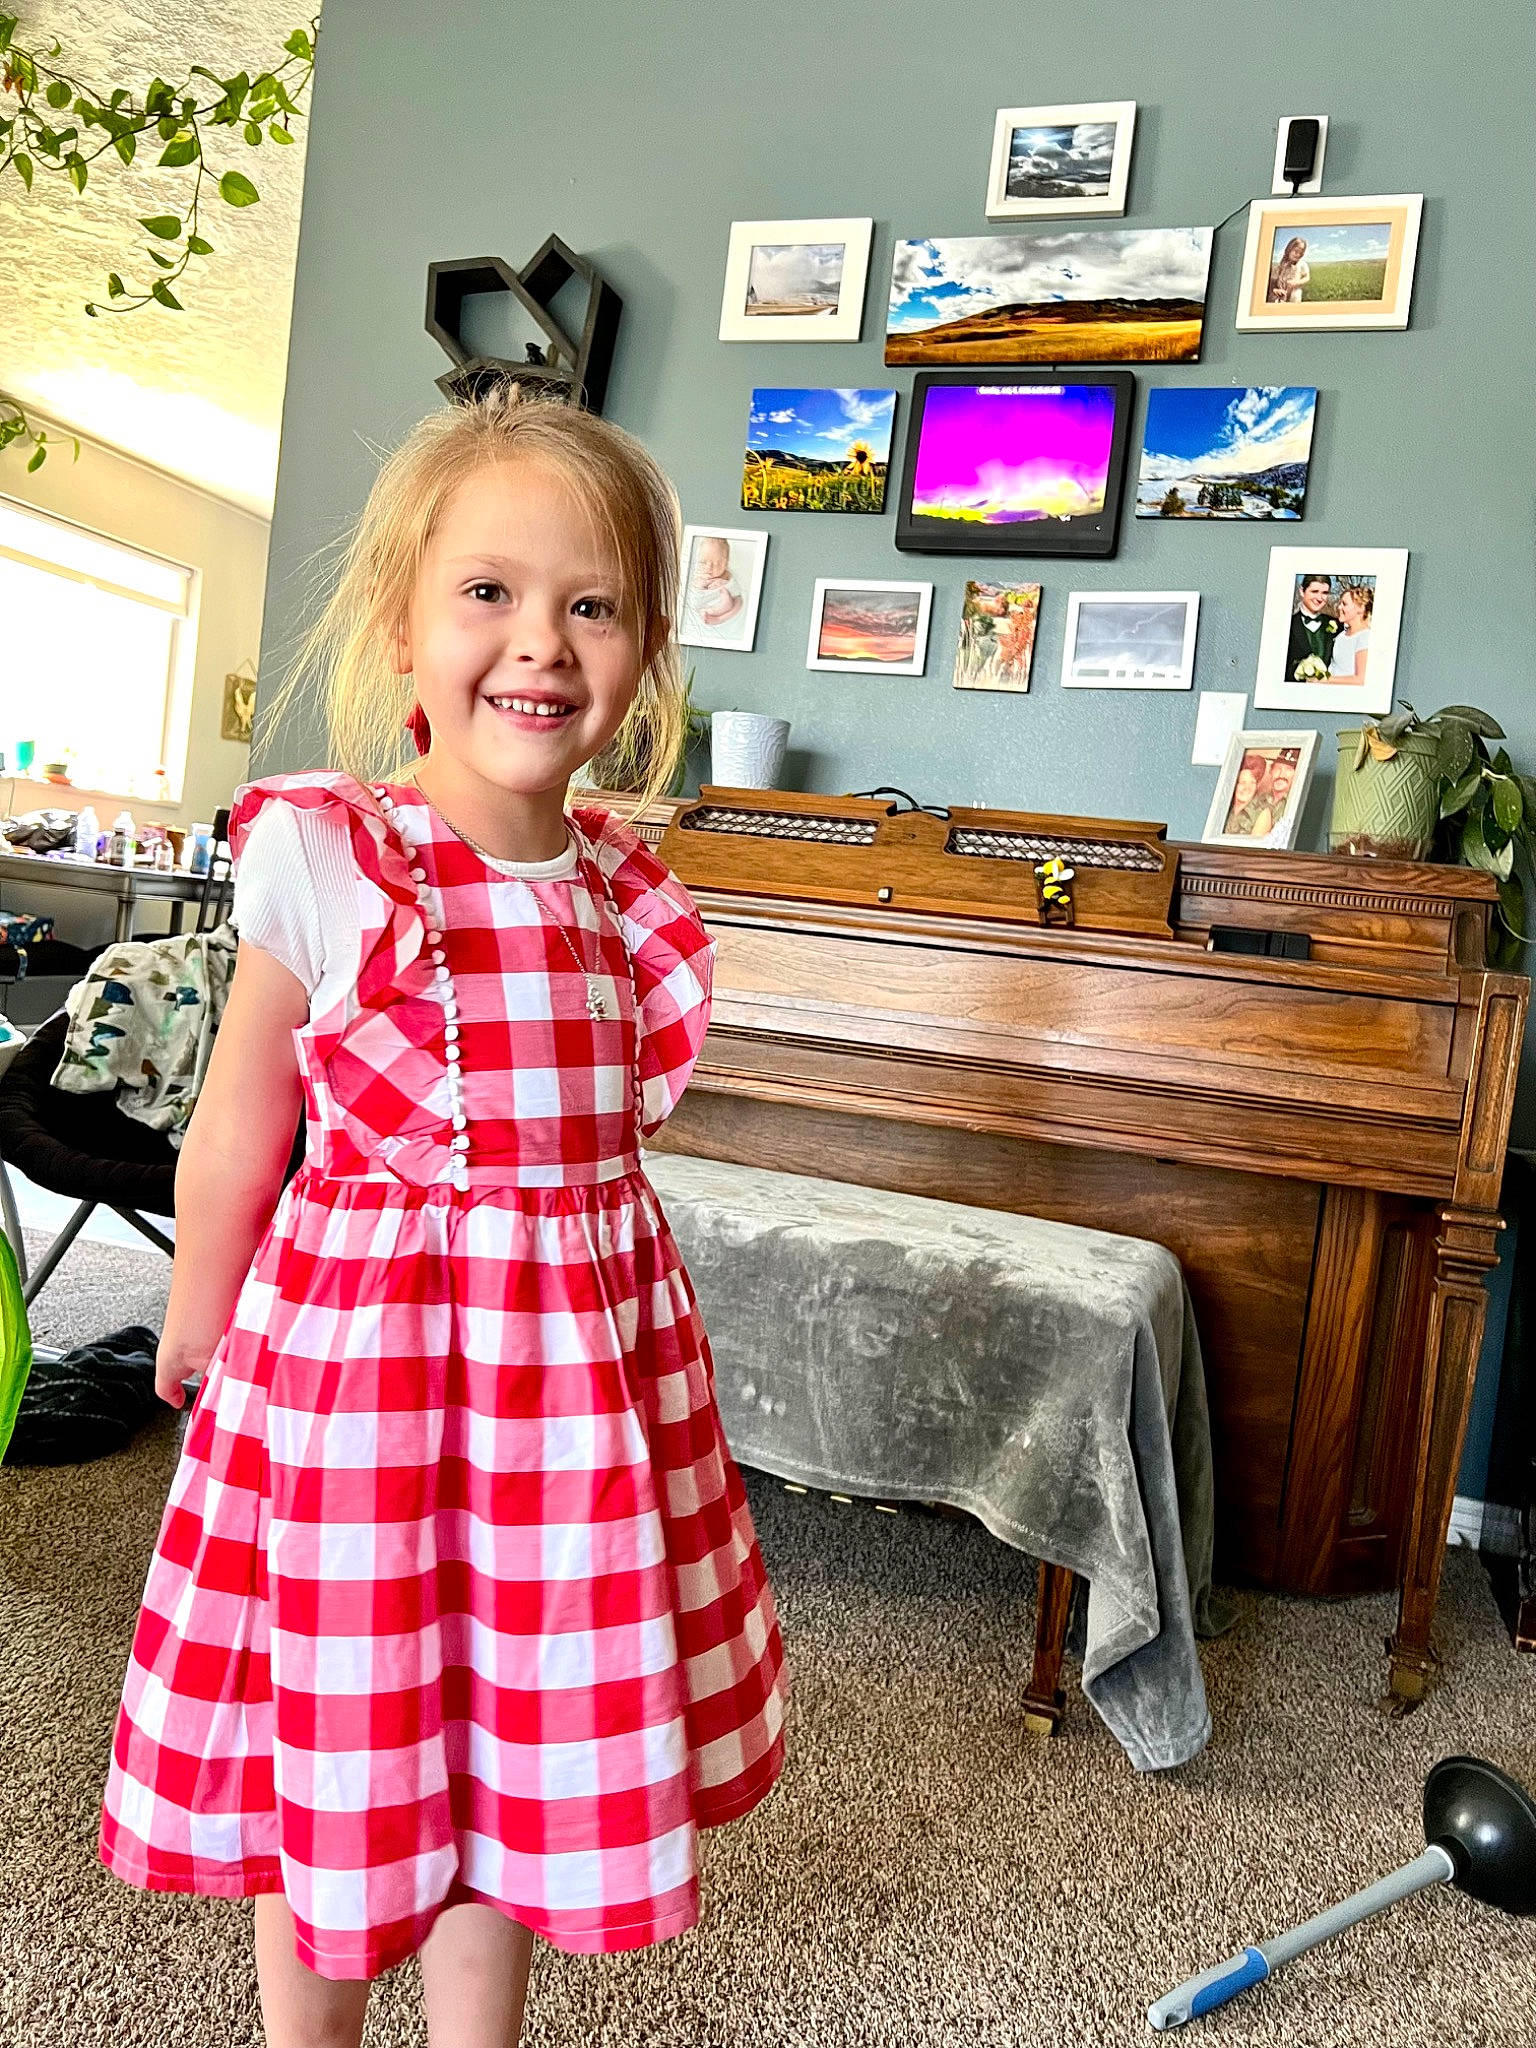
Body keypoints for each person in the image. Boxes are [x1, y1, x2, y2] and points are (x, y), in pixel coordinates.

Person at [98, 390, 788, 2048]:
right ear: (402, 619)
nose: (538, 641)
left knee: (510, 1749)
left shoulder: (629, 896)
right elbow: (242, 1114)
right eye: (488, 590)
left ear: (643, 653)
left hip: (565, 1420)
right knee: (340, 1738)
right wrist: (201, 1298)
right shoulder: (337, 859)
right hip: (361, 1392)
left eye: (591, 602)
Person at [682, 532, 744, 635]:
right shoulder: (698, 574)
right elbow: (693, 595)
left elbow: (735, 589)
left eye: (717, 563)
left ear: (726, 562)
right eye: (703, 562)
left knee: (738, 602)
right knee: (697, 606)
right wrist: (701, 585)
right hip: (706, 605)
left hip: (727, 603)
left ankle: (720, 618)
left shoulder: (727, 574)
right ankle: (714, 613)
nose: (709, 567)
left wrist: (724, 583)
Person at [1285, 572, 1340, 680]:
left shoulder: (1337, 624)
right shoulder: (1288, 624)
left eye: (1324, 593)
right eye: (1314, 591)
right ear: (1302, 591)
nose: (1319, 598)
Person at [1329, 582, 1374, 685]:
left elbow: (1360, 680)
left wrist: (1326, 681)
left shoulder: (1365, 637)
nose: (1339, 607)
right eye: (1340, 603)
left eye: (1344, 604)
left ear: (1361, 608)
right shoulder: (1341, 635)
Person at [1268, 234, 1310, 303]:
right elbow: (1273, 282)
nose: (1298, 254)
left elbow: (1307, 277)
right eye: (1296, 251)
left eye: (1301, 253)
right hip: (1281, 294)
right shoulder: (1281, 264)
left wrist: (1296, 282)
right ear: (1289, 249)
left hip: (1294, 296)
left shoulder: (1302, 264)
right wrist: (1276, 290)